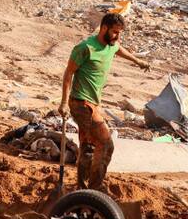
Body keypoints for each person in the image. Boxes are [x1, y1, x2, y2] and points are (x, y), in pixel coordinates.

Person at [59, 13, 150, 190]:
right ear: (104, 28)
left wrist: (137, 61)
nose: (117, 36)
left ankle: (82, 188)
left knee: (88, 146)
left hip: (94, 104)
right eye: (115, 32)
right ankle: (94, 189)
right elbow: (68, 73)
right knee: (106, 144)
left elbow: (119, 49)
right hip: (81, 104)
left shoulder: (112, 45)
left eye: (120, 33)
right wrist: (63, 103)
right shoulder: (85, 48)